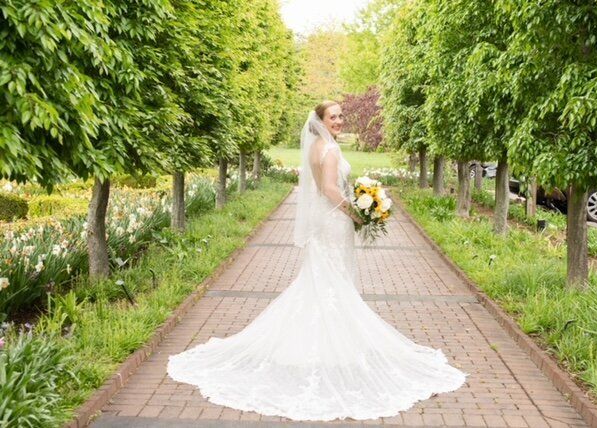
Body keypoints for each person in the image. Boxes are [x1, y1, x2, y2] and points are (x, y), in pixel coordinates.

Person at [167, 101, 467, 421]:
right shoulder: (331, 151)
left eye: (340, 116)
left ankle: (315, 343)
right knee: (333, 281)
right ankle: (336, 346)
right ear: (321, 121)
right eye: (333, 116)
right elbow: (327, 189)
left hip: (323, 224)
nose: (339, 120)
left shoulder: (317, 148)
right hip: (334, 222)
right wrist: (357, 213)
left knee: (319, 279)